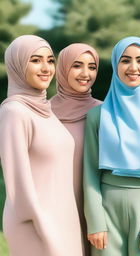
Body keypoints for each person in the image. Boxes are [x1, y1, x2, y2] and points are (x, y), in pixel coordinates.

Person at [83, 36, 140, 256]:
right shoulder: (98, 116)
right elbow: (89, 171)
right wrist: (96, 221)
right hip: (107, 211)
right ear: (116, 65)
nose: (133, 67)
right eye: (125, 60)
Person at [0, 35, 83, 256]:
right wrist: (46, 231)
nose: (46, 68)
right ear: (17, 65)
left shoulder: (46, 110)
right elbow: (18, 185)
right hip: (35, 226)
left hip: (64, 222)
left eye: (50, 60)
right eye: (36, 60)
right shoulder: (14, 112)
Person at [51, 43, 102, 255]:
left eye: (92, 67)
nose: (85, 73)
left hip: (97, 209)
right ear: (62, 68)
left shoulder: (104, 112)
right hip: (55, 208)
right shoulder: (43, 112)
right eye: (77, 65)